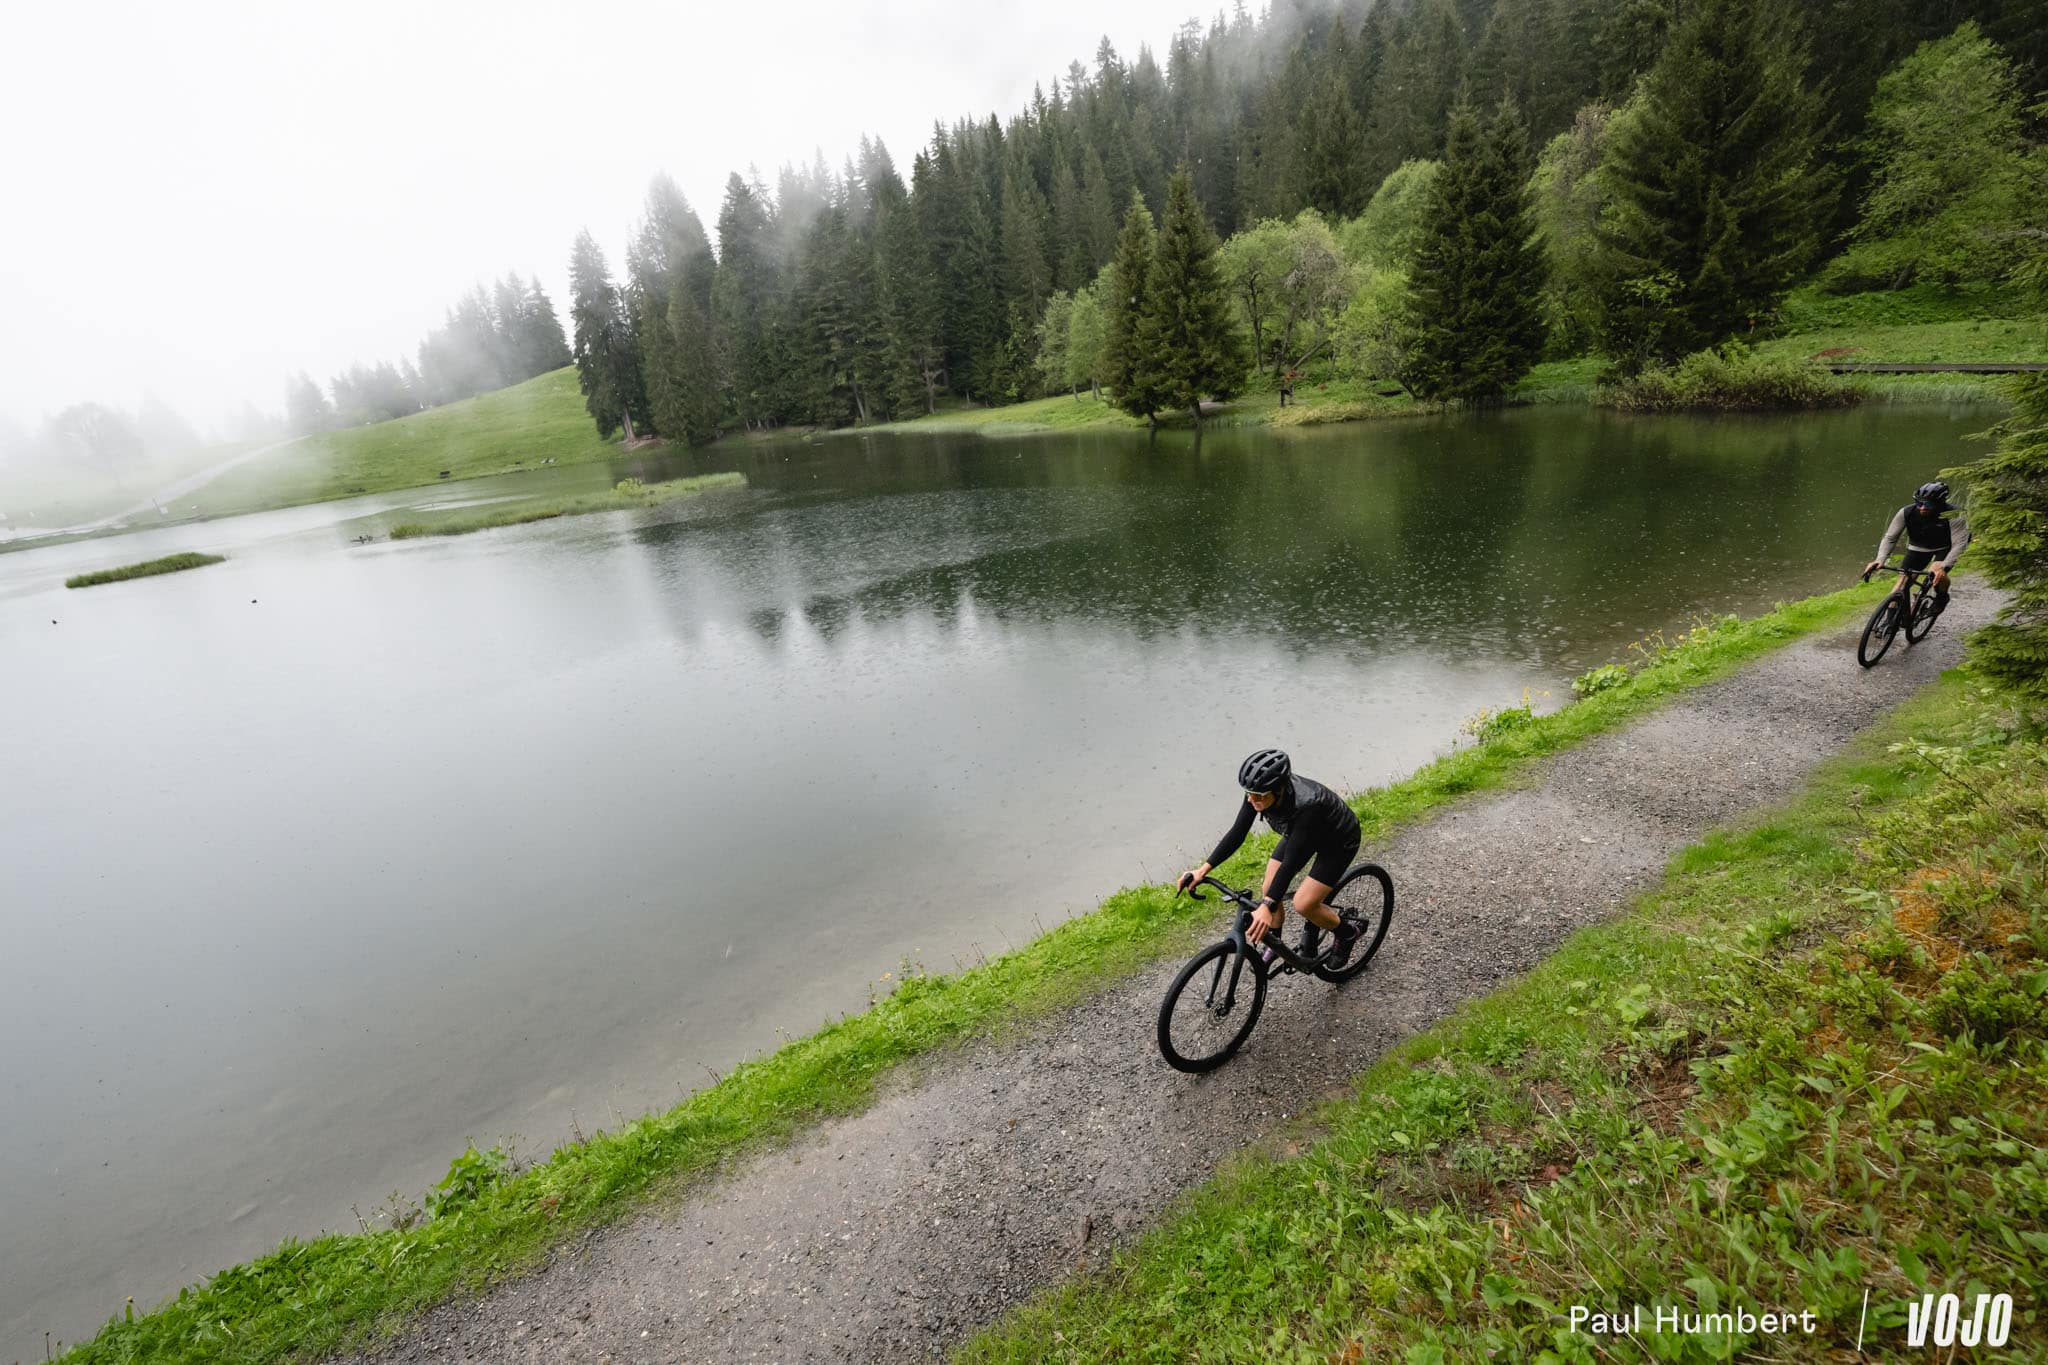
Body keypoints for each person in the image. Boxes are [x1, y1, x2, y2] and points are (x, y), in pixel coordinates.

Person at [1176, 748, 1364, 966]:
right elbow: (1238, 832)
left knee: (1303, 904)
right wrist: (1202, 870)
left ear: (1279, 790)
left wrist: (1267, 907)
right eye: (1249, 793)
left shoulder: (1308, 805)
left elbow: (1290, 863)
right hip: (1300, 834)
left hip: (1337, 841)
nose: (1251, 799)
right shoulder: (1258, 792)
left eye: (1258, 796)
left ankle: (1348, 932)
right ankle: (1275, 943)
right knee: (1269, 888)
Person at [1864, 480, 1970, 614]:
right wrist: (1880, 559)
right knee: (1901, 585)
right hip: (1918, 547)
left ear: (1940, 503)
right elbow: (1890, 538)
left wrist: (1944, 567)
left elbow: (1959, 544)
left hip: (1945, 547)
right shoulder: (1906, 512)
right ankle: (1890, 620)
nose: (1922, 508)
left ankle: (1941, 597)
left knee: (1936, 573)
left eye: (1928, 504)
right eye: (1919, 503)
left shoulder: (1954, 514)